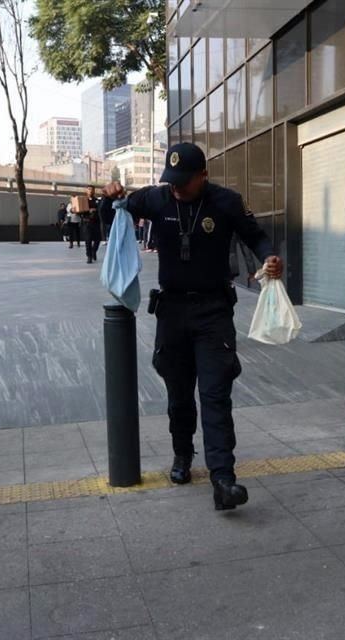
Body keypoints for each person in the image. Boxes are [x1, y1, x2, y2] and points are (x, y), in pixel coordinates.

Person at [101, 142, 283, 511]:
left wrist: (270, 257)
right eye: (171, 181)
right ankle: (182, 455)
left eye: (184, 181)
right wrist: (111, 198)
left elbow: (256, 235)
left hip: (214, 312)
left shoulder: (226, 202)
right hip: (172, 312)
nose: (176, 188)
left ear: (203, 176)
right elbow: (113, 213)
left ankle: (223, 479)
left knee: (215, 395)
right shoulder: (155, 199)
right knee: (179, 395)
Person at [83, 186, 102, 264]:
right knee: (88, 240)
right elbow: (78, 210)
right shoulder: (83, 201)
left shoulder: (97, 201)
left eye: (92, 190)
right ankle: (89, 256)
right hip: (87, 222)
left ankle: (94, 251)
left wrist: (95, 210)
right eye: (89, 189)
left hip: (96, 223)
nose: (90, 191)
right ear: (86, 191)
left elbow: (101, 209)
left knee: (98, 239)